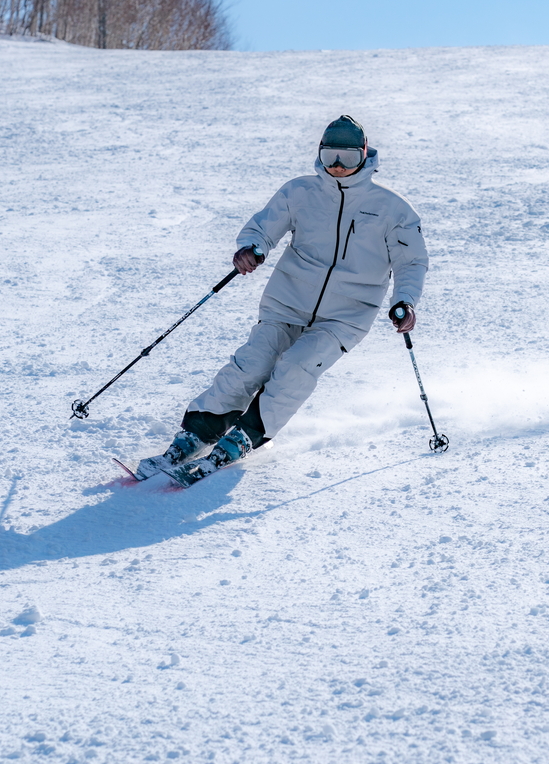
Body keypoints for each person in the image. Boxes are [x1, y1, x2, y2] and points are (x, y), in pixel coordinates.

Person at [136, 115, 428, 486]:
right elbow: (263, 227)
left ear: (365, 155)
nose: (338, 166)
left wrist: (405, 300)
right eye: (330, 156)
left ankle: (245, 437)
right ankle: (195, 435)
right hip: (286, 302)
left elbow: (412, 260)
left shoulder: (393, 208)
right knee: (249, 365)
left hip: (346, 316)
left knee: (296, 368)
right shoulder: (299, 192)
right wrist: (253, 249)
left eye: (348, 157)